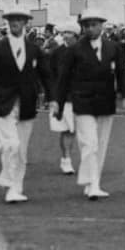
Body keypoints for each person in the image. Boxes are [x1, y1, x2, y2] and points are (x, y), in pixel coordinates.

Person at [54, 9, 125, 200]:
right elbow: (63, 78)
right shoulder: (74, 50)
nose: (90, 28)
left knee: (101, 144)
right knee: (89, 143)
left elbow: (122, 73)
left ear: (101, 25)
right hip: (83, 101)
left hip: (105, 100)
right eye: (86, 25)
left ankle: (92, 182)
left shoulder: (114, 48)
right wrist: (59, 103)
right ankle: (93, 183)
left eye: (94, 24)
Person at [0, 8, 51, 203]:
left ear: (25, 23)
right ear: (7, 22)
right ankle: (9, 182)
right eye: (12, 20)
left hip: (27, 105)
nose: (15, 23)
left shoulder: (33, 49)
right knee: (10, 145)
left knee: (21, 150)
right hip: (4, 104)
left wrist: (52, 99)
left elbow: (45, 75)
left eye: (19, 20)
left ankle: (15, 187)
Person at [47, 21, 80, 175]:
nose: (65, 36)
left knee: (75, 130)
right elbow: (51, 76)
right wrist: (54, 96)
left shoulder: (82, 51)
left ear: (76, 35)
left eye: (69, 33)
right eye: (64, 33)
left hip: (79, 96)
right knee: (66, 130)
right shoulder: (56, 53)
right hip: (63, 97)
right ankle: (66, 160)